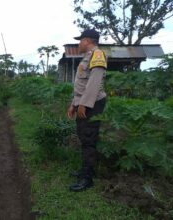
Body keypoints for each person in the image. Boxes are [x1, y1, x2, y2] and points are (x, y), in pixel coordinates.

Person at [67, 29, 107, 192]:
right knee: (84, 137)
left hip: (92, 103)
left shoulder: (97, 55)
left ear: (87, 41)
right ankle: (85, 170)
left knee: (89, 139)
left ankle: (87, 178)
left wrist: (84, 104)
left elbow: (94, 83)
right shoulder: (87, 57)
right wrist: (74, 104)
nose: (78, 44)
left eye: (80, 40)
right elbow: (81, 85)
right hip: (84, 102)